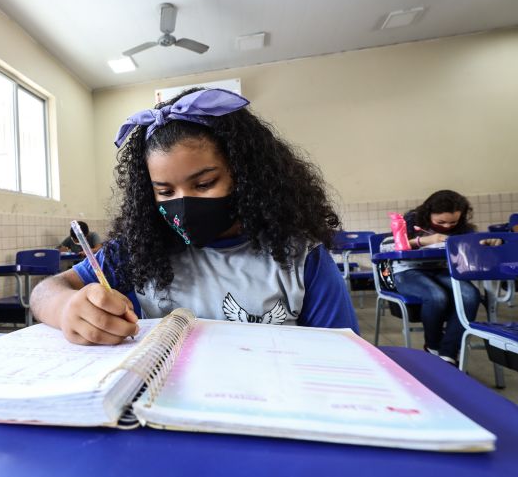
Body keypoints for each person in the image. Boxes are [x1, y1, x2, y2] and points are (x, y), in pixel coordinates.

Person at [31, 87, 358, 345]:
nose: (184, 203)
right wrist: (66, 308)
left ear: (246, 174)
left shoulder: (302, 259)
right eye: (165, 191)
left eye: (204, 183)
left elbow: (345, 357)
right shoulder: (137, 251)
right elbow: (45, 291)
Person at [390, 190, 481, 365]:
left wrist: (485, 243)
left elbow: (471, 251)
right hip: (408, 271)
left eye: (452, 222)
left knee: (470, 295)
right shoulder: (410, 220)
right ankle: (433, 346)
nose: (447, 227)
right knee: (436, 296)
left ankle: (448, 353)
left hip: (442, 270)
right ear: (428, 214)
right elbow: (392, 247)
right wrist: (424, 240)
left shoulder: (464, 229)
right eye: (440, 222)